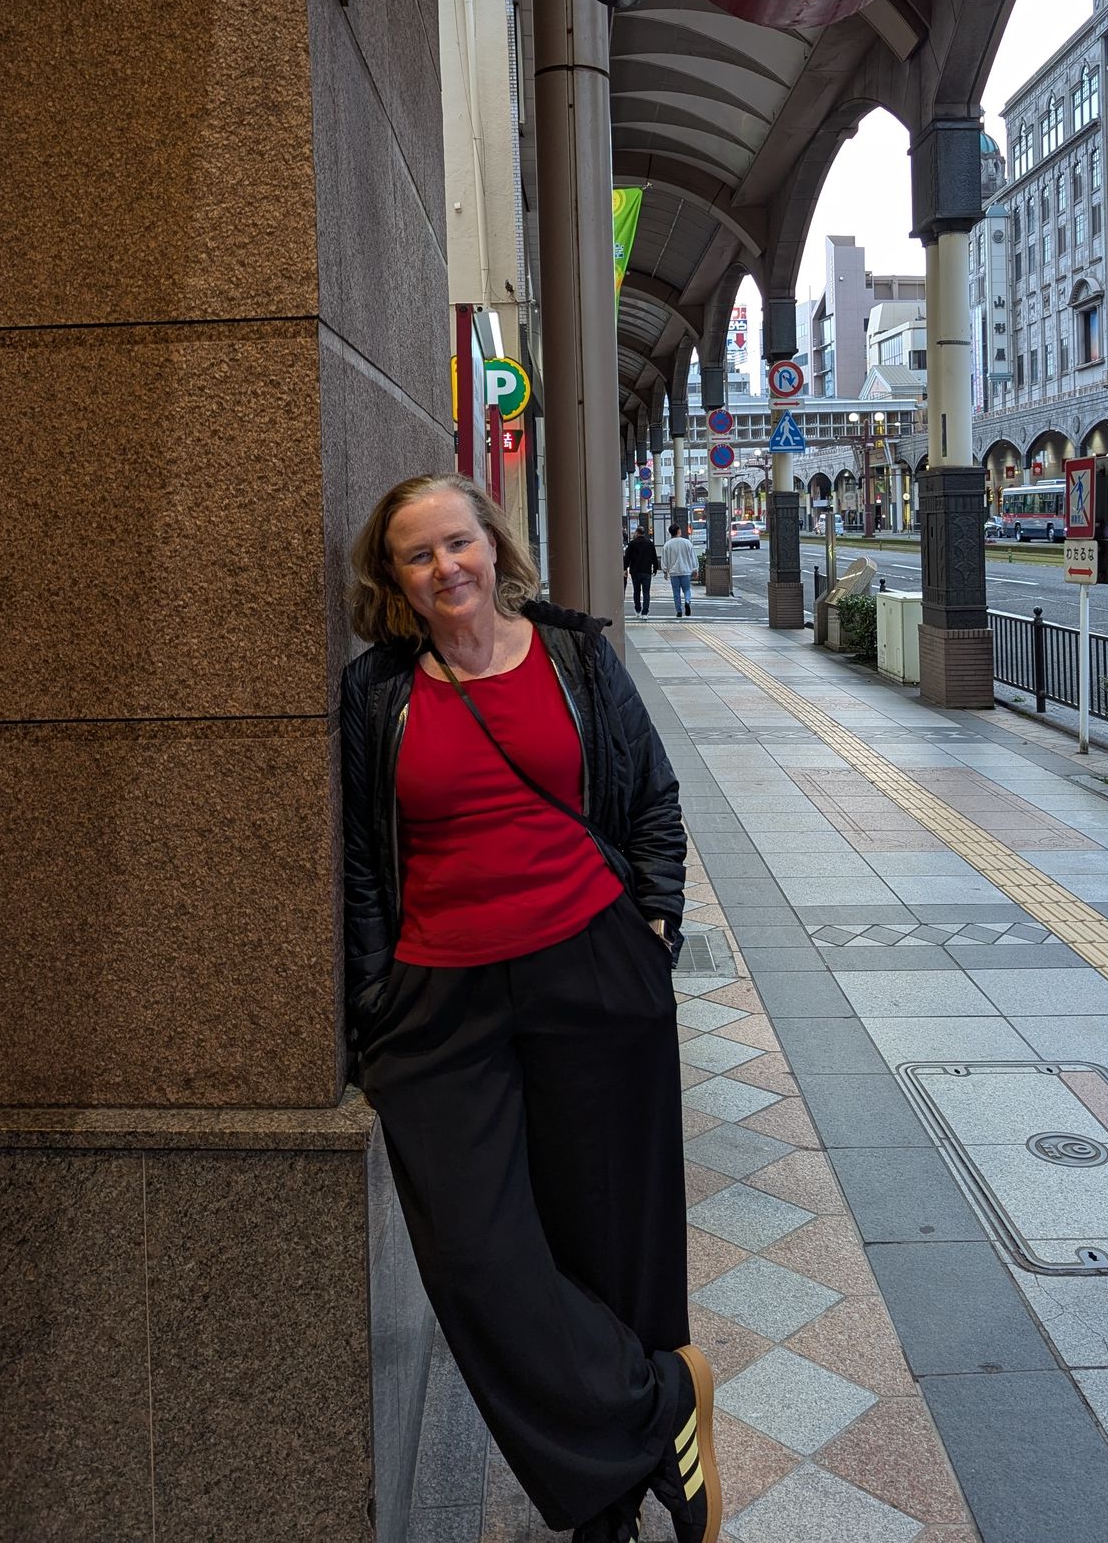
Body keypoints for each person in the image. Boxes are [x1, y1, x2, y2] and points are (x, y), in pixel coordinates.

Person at [340, 474, 720, 1543]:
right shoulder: (378, 693)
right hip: (436, 997)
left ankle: (608, 1507)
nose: (444, 567)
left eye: (456, 541)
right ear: (394, 578)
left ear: (494, 546)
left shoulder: (577, 655)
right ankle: (657, 1405)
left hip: (591, 967)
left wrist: (654, 923)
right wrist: (371, 999)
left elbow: (650, 792)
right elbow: (362, 867)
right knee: (478, 1256)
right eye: (417, 554)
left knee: (603, 1235)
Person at [624, 522, 660, 617]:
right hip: (646, 571)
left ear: (637, 532)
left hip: (635, 571)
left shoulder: (632, 544)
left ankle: (637, 609)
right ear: (644, 533)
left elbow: (627, 558)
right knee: (646, 592)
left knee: (636, 591)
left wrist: (625, 568)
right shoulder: (649, 544)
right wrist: (655, 568)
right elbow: (654, 557)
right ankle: (645, 612)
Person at [661, 523, 696, 618]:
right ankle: (687, 601)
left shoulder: (667, 545)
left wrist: (665, 571)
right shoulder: (687, 543)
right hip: (685, 571)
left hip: (674, 572)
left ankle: (679, 610)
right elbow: (692, 557)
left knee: (676, 592)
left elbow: (665, 560)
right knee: (687, 589)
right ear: (678, 531)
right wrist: (695, 568)